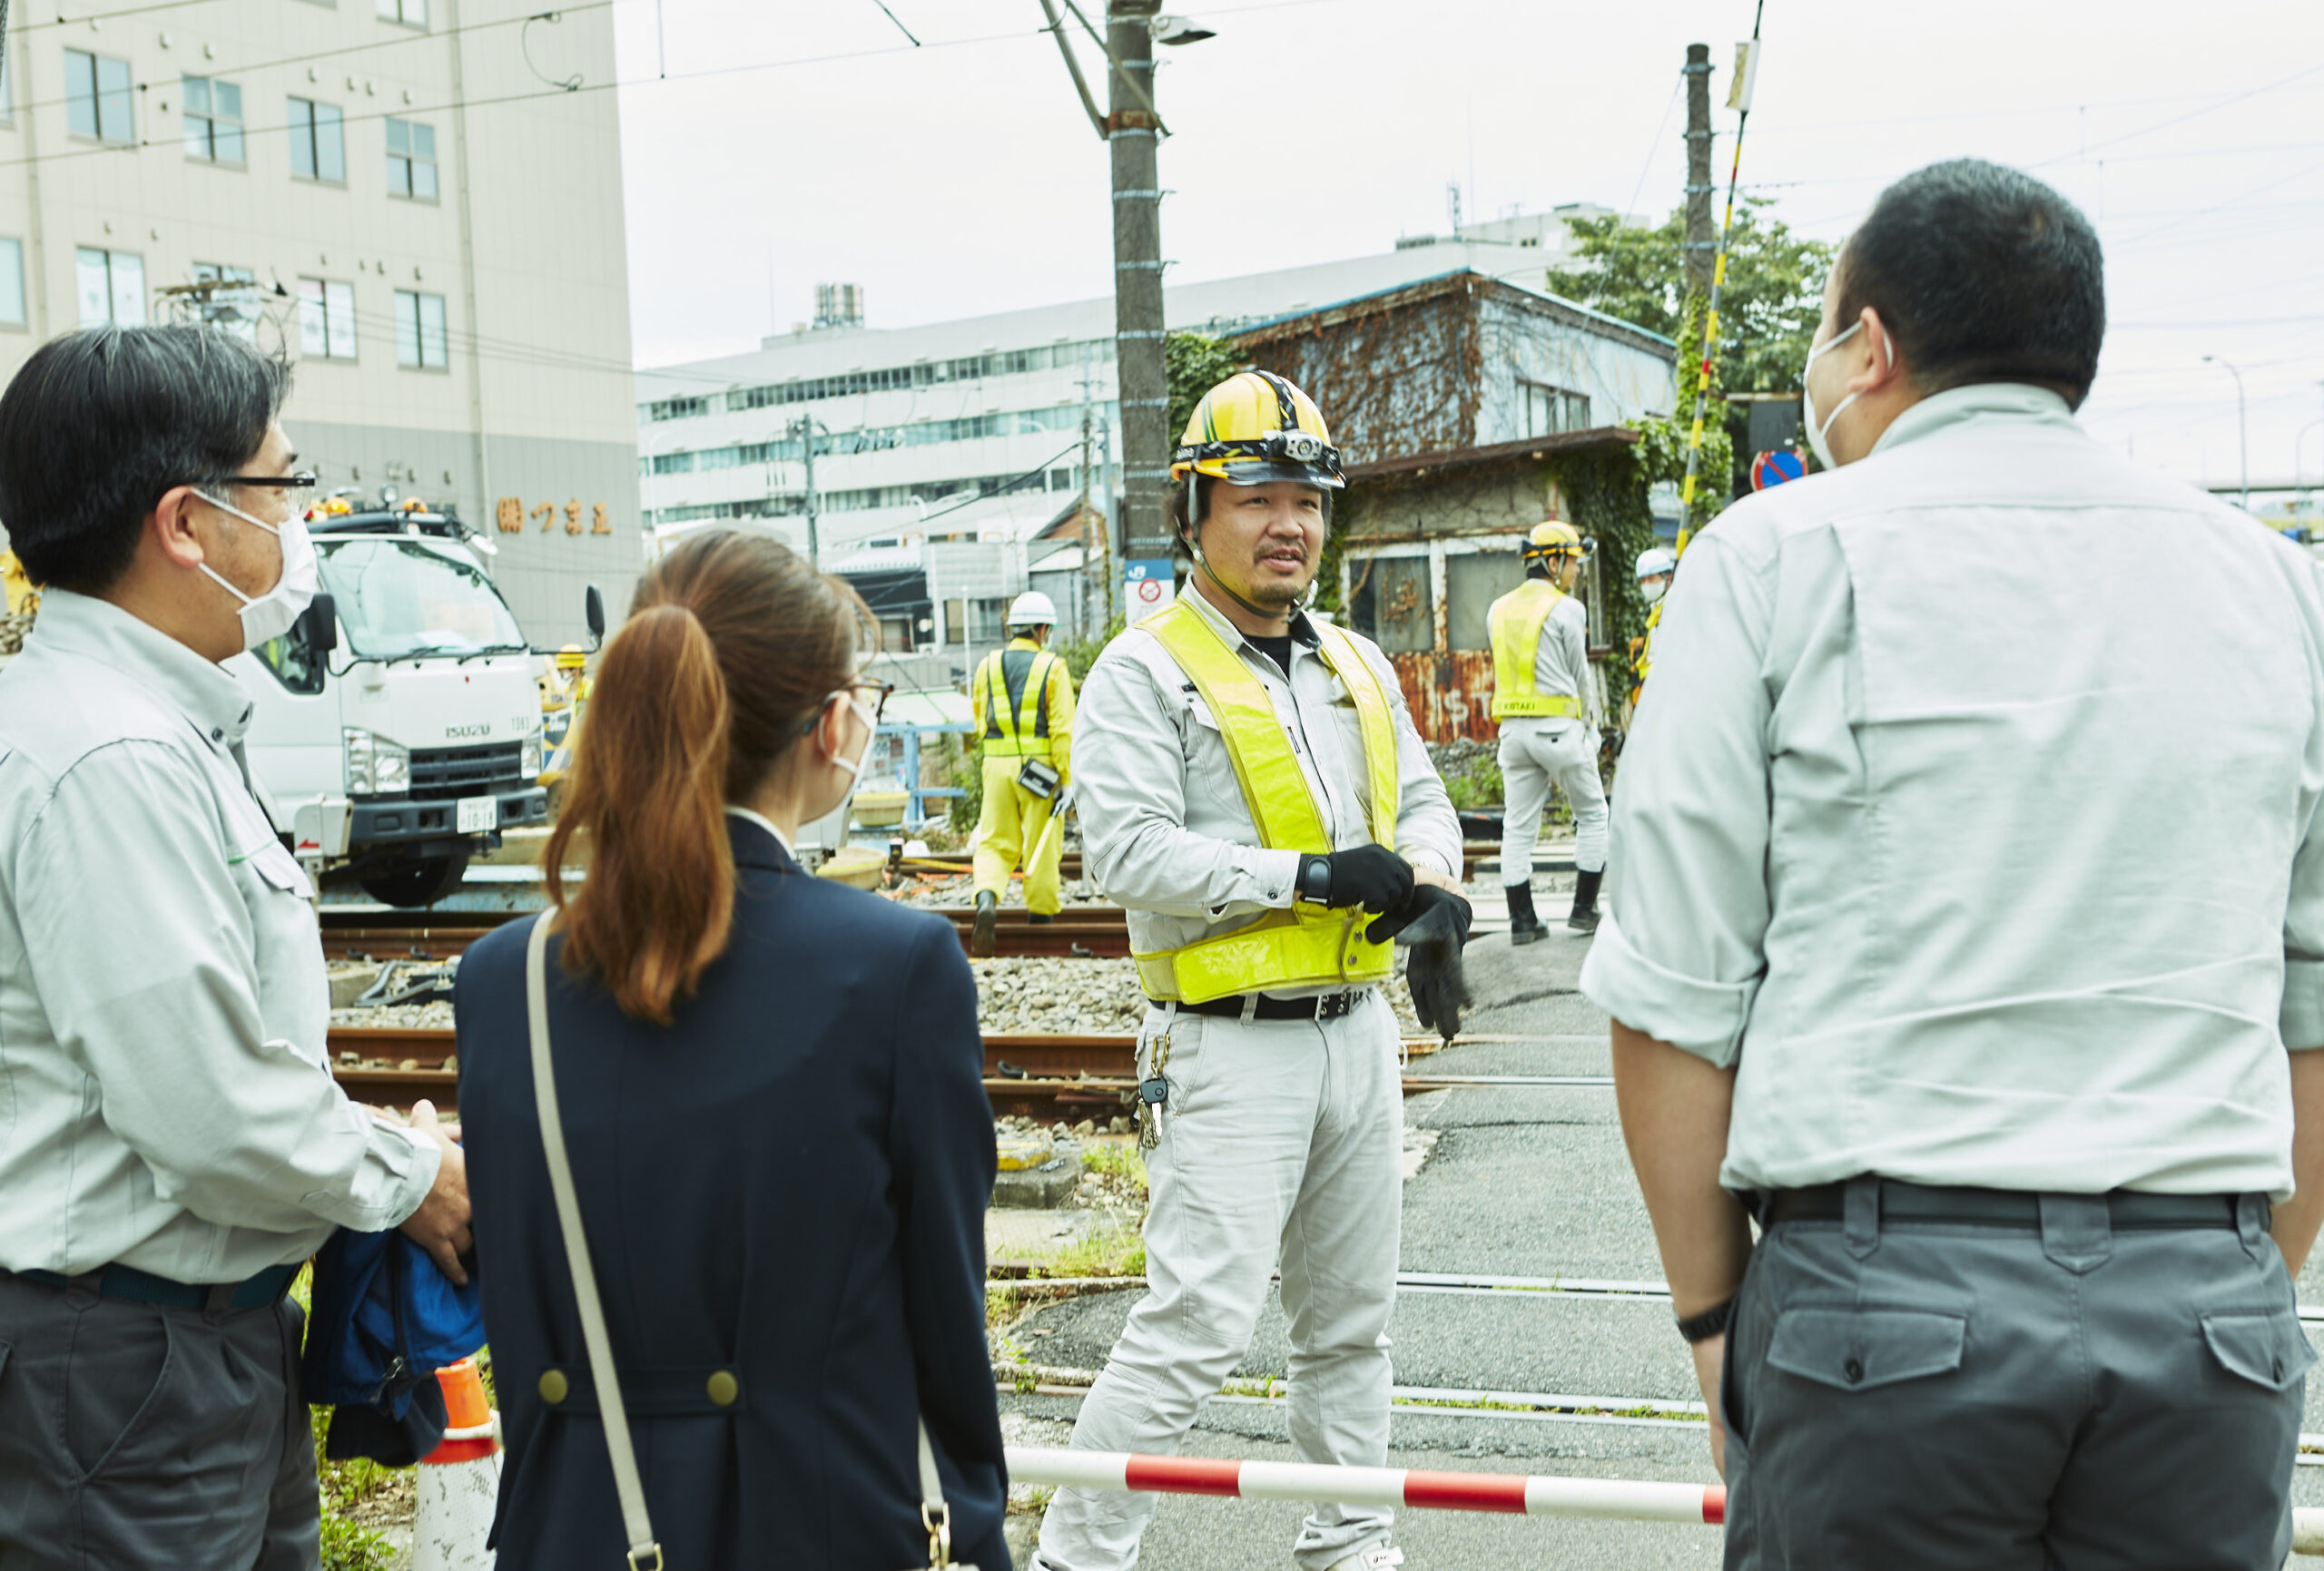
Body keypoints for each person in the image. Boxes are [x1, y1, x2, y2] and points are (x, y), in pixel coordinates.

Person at [1582, 158, 2324, 1570]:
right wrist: (2225, 1284)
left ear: (1870, 346)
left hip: (1885, 1308)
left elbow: (1671, 995)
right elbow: (2317, 999)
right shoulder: (2280, 584)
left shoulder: (1767, 560)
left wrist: (1715, 1322)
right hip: (2210, 1309)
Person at [0, 325, 469, 1569]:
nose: (299, 520)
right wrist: (411, 1176)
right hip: (121, 1366)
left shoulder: (135, 726)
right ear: (187, 521)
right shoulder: (110, 756)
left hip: (179, 1345)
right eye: (284, 483)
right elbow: (207, 1108)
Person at [453, 530, 1009, 1570]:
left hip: (573, 1528)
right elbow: (945, 1318)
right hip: (825, 1524)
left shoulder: (504, 981)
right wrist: (970, 1524)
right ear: (831, 726)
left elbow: (527, 1318)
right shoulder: (896, 968)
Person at [1031, 370, 1467, 1571]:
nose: (1289, 524)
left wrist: (1435, 889)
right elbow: (1123, 849)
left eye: (1309, 500)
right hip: (1224, 1046)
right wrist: (1311, 876)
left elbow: (1424, 801)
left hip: (1355, 1036)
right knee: (1192, 1327)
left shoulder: (1359, 665)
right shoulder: (1143, 665)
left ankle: (1351, 1544)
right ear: (1195, 511)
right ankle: (1078, 1552)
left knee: (1351, 1327)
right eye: (1258, 496)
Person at [1486, 519, 1608, 941]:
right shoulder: (1568, 609)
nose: (1576, 570)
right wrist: (1592, 726)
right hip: (1559, 731)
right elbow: (1582, 677)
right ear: (1554, 561)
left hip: (1514, 735)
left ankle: (1522, 922)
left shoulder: (1497, 609)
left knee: (1517, 826)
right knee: (1593, 815)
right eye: (1573, 561)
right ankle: (1583, 910)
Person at [969, 589, 1077, 957]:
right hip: (1040, 770)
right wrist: (1066, 778)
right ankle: (1041, 918)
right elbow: (1063, 729)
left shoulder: (987, 665)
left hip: (995, 766)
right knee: (1042, 843)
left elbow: (980, 717)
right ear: (1042, 629)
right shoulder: (1053, 667)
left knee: (995, 840)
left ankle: (987, 898)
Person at [1627, 544, 1675, 706]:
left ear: (1667, 578)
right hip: (1653, 691)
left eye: (1651, 578)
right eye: (1642, 580)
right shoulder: (1656, 609)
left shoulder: (1673, 606)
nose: (1646, 585)